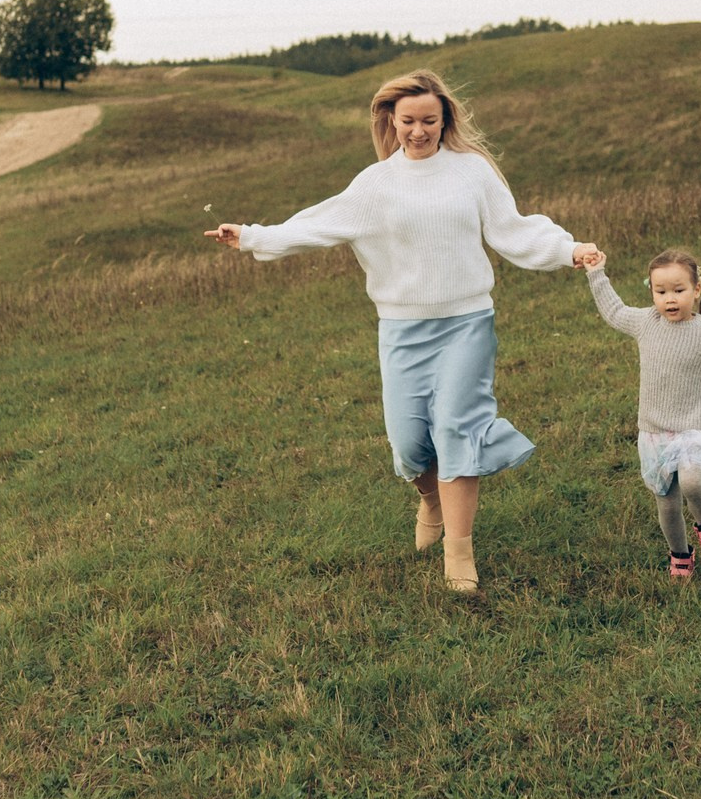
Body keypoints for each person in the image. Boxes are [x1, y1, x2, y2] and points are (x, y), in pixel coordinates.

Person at [207, 70, 598, 592]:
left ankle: (459, 553)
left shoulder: (472, 172)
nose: (419, 131)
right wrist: (252, 236)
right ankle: (429, 498)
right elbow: (315, 225)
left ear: (445, 120)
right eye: (409, 121)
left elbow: (514, 228)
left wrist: (567, 249)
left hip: (466, 322)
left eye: (430, 121)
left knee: (457, 429)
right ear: (391, 121)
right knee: (410, 444)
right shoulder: (376, 184)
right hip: (402, 329)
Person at [583, 248, 701, 579]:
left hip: (691, 430)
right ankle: (681, 556)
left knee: (691, 480)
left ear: (697, 289)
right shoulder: (646, 323)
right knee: (667, 504)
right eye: (661, 292)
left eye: (679, 290)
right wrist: (596, 273)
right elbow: (614, 311)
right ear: (652, 292)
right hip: (653, 433)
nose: (670, 299)